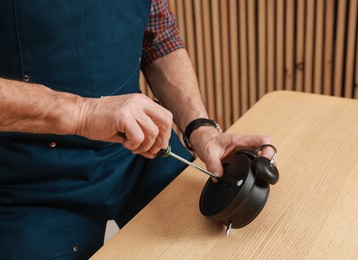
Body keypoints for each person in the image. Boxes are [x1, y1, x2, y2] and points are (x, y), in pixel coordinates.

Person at [0, 0, 273, 258]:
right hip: (26, 178)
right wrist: (82, 113)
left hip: (141, 149)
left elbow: (158, 35)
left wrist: (201, 128)